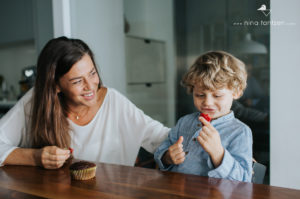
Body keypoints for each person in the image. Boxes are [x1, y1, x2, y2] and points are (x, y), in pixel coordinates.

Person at [0, 36, 169, 169]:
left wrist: (191, 131)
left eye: (92, 73)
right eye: (77, 81)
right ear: (56, 85)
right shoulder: (35, 100)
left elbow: (160, 136)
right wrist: (36, 157)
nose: (90, 87)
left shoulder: (114, 102)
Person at [154, 51, 252, 182]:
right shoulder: (184, 122)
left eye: (217, 95)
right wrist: (167, 157)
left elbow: (244, 180)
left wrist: (218, 153)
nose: (207, 102)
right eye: (200, 95)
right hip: (177, 193)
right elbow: (161, 153)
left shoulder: (240, 132)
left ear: (237, 92)